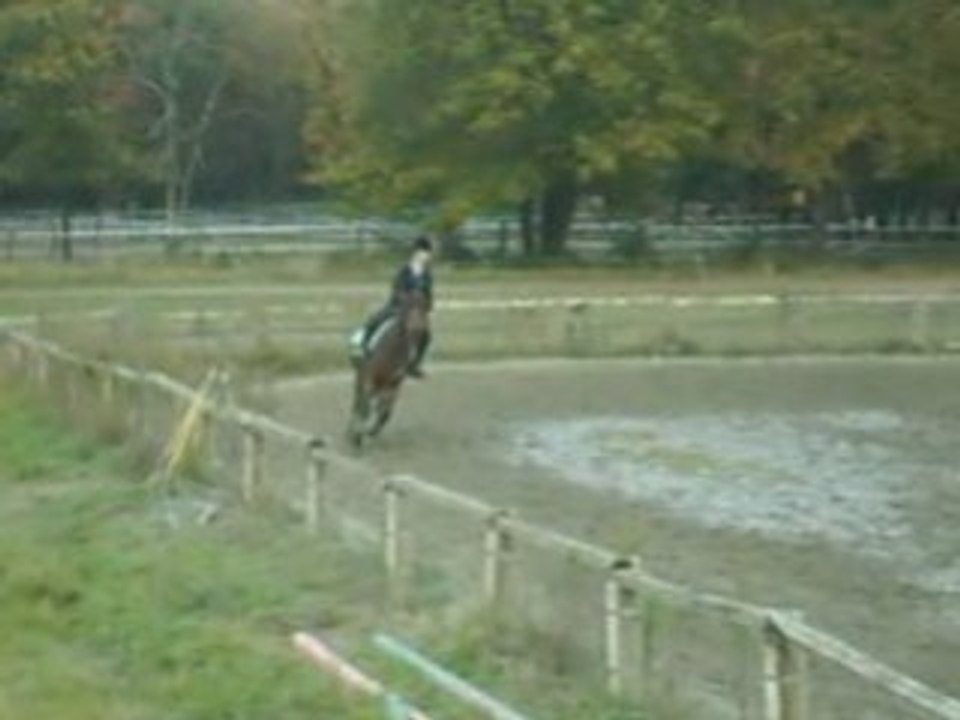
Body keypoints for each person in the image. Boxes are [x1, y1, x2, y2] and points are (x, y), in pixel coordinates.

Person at [351, 236, 434, 378]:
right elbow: (397, 289)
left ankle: (415, 363)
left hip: (417, 311)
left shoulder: (427, 275)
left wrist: (427, 306)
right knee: (376, 320)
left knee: (426, 335)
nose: (426, 256)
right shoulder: (404, 270)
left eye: (427, 252)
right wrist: (404, 300)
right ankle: (363, 346)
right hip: (398, 306)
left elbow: (429, 293)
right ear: (415, 253)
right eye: (423, 252)